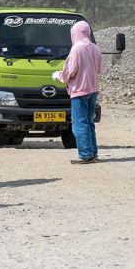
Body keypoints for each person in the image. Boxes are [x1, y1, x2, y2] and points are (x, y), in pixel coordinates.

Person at [53, 20, 103, 164]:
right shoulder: (95, 48)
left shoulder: (76, 49)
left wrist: (57, 75)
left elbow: (69, 72)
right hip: (93, 90)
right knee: (89, 122)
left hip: (79, 91)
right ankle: (93, 152)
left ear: (75, 33)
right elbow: (99, 69)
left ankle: (85, 154)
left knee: (80, 123)